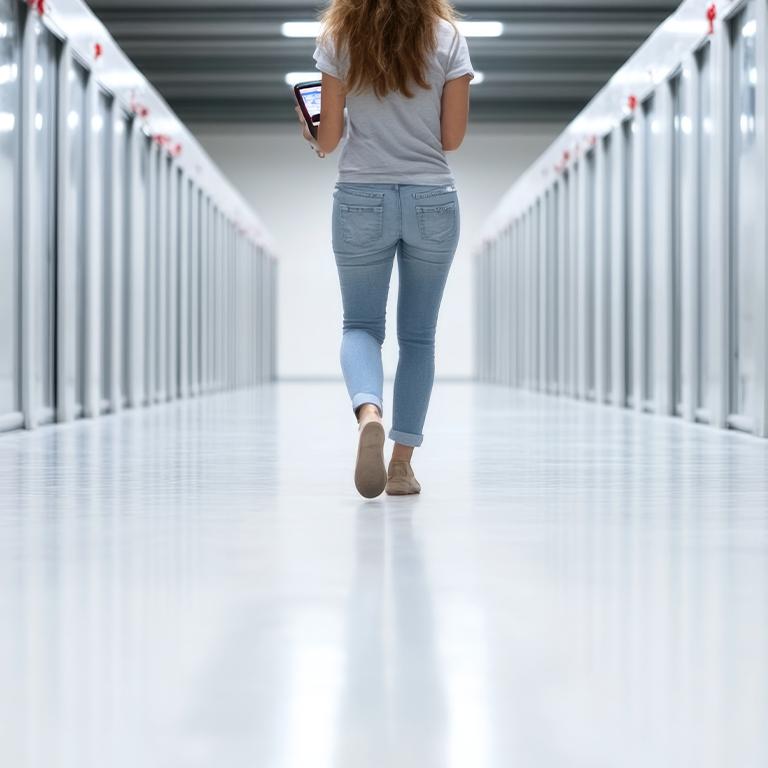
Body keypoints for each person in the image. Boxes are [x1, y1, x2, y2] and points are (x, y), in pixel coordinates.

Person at [295, 0, 473, 499]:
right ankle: (400, 465)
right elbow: (452, 138)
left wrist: (311, 133)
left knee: (360, 326)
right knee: (418, 338)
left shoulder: (339, 36)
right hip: (431, 199)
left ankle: (368, 412)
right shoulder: (447, 37)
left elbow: (329, 139)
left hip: (360, 199)